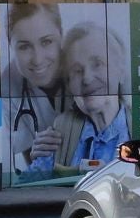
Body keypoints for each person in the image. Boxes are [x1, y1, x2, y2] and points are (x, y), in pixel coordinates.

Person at [43, 21, 130, 176]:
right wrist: (38, 156)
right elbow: (27, 183)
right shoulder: (62, 129)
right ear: (69, 84)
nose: (87, 79)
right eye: (77, 70)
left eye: (97, 64)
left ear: (121, 70)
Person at [3, 4, 68, 177]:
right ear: (10, 46)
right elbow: (30, 158)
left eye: (46, 42)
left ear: (61, 35)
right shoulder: (9, 82)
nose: (38, 60)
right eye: (24, 47)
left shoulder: (85, 67)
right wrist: (36, 153)